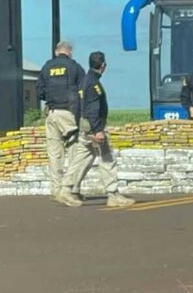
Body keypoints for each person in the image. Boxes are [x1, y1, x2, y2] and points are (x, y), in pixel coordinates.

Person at [58, 51, 135, 208]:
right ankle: (113, 194)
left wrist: (80, 125)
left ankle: (66, 189)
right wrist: (97, 130)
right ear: (103, 66)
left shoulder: (84, 81)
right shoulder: (94, 84)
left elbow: (79, 107)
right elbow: (93, 108)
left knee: (82, 158)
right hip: (94, 127)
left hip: (84, 125)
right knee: (107, 159)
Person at [36, 41, 86, 200]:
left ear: (57, 52)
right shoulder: (75, 67)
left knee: (55, 154)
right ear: (70, 52)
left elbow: (39, 91)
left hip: (52, 114)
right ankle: (72, 190)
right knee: (74, 153)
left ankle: (56, 190)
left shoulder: (47, 67)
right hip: (70, 115)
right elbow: (84, 90)